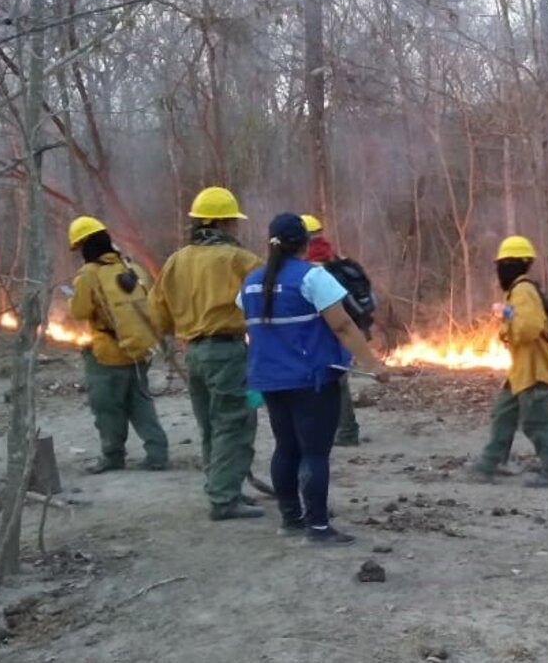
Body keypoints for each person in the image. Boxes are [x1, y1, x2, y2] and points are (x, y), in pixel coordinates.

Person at [238, 214, 388, 546]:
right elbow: (343, 325)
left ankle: (291, 519)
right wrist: (373, 364)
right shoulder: (312, 278)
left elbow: (251, 327)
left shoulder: (250, 282)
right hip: (312, 380)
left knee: (285, 448)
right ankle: (318, 527)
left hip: (270, 380)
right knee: (315, 453)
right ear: (305, 243)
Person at [148, 186, 265, 521]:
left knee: (210, 425)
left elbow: (157, 312)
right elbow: (266, 298)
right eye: (233, 222)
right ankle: (224, 498)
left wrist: (175, 334)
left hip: (195, 354)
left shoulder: (176, 261)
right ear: (223, 223)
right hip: (228, 353)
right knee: (235, 422)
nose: (236, 228)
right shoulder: (240, 260)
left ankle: (221, 485)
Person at [66, 216, 169, 474]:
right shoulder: (131, 267)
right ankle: (158, 453)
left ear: (85, 246)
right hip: (139, 351)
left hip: (107, 355)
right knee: (141, 403)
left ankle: (113, 456)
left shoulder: (88, 274)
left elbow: (79, 311)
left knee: (107, 407)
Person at [468, 236, 548, 488]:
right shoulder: (520, 291)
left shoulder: (522, 290)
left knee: (537, 421)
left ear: (512, 265)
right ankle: (492, 463)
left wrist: (507, 323)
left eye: (503, 264)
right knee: (503, 413)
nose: (499, 270)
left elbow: (529, 327)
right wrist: (507, 316)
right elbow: (523, 321)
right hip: (520, 370)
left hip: (533, 369)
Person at [300, 214, 375, 447]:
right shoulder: (340, 260)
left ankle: (345, 432)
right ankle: (343, 430)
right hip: (351, 329)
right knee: (335, 380)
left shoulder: (310, 268)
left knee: (331, 382)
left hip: (327, 332)